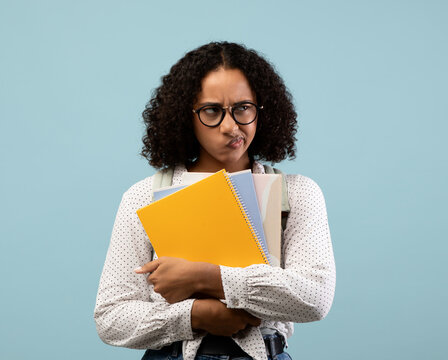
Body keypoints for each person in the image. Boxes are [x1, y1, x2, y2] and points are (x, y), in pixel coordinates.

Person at [94, 42, 336, 360]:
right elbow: (110, 318)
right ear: (186, 116)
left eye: (243, 107)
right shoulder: (143, 197)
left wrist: (205, 277)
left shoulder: (297, 193)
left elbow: (314, 296)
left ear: (262, 108)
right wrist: (196, 316)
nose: (230, 126)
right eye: (212, 111)